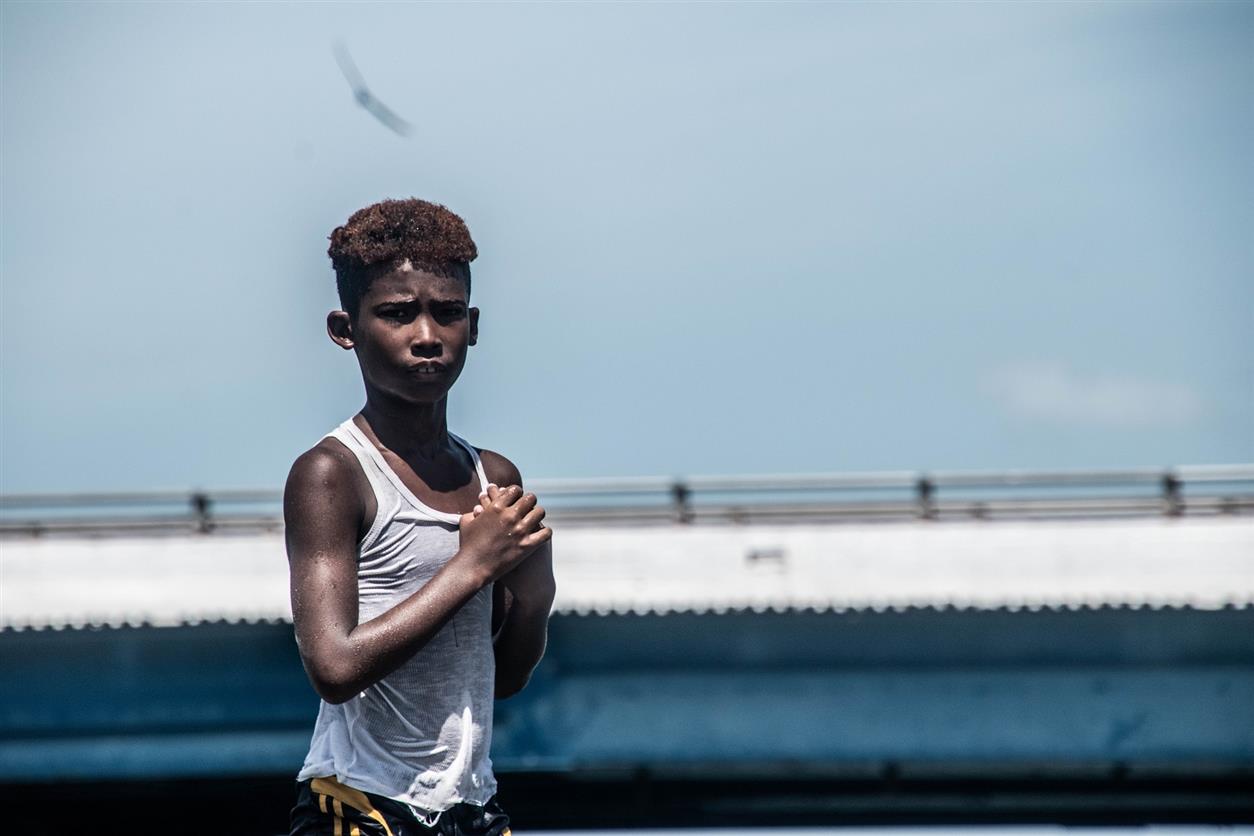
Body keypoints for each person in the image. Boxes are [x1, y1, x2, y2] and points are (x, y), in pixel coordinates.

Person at [285, 198, 555, 836]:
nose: (428, 336)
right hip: (361, 807)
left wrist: (535, 588)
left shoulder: (495, 479)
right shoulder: (332, 474)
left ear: (474, 324)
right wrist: (475, 564)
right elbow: (333, 668)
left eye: (448, 313)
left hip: (472, 810)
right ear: (345, 327)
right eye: (398, 314)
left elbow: (506, 678)